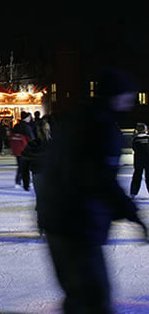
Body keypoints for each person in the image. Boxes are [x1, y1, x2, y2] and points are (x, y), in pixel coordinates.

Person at [38, 68, 149, 313]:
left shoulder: (74, 120)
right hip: (79, 224)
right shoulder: (103, 128)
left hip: (56, 219)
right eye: (129, 96)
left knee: (79, 298)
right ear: (117, 96)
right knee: (94, 299)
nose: (131, 102)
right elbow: (101, 180)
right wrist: (133, 215)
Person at [10, 115, 31, 189]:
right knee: (24, 166)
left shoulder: (16, 126)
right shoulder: (26, 127)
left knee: (21, 165)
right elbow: (30, 138)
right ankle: (21, 181)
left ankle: (19, 181)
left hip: (16, 148)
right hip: (24, 148)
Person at [130, 123, 149, 199]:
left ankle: (133, 193)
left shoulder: (135, 139)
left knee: (137, 177)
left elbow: (134, 148)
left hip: (139, 161)